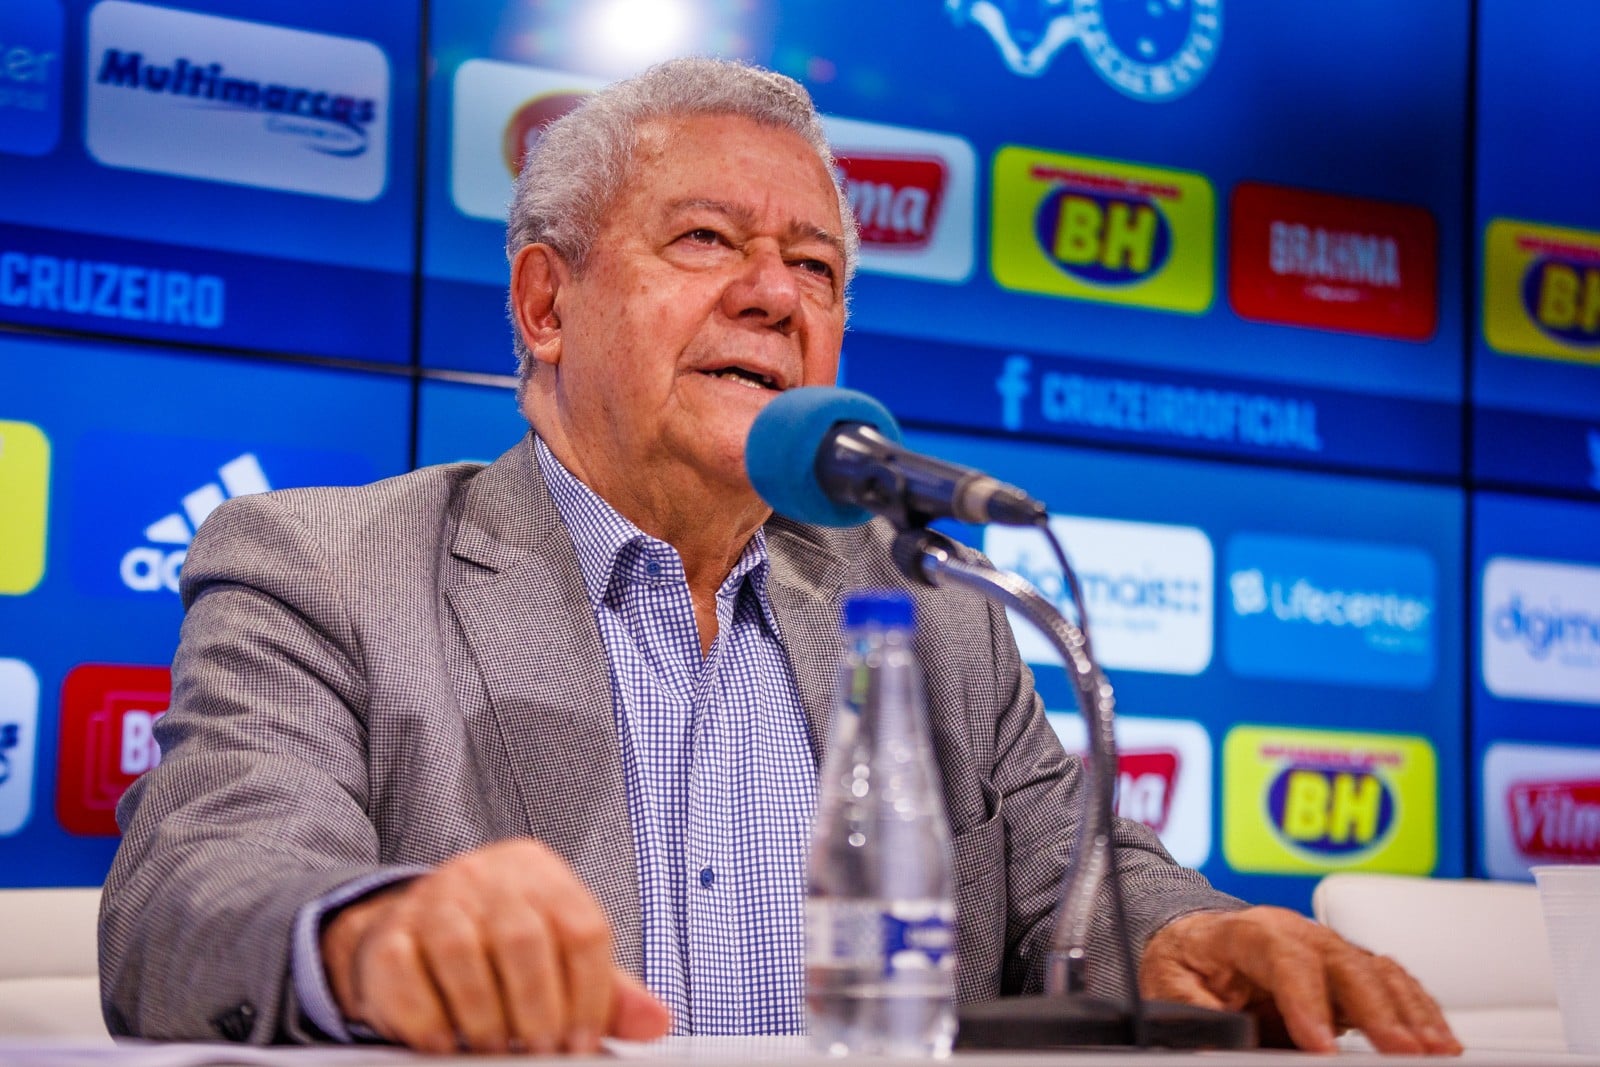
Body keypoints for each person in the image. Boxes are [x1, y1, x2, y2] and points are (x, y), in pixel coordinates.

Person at [99, 57, 1460, 1057]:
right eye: (706, 240)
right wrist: (379, 935)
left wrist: (1178, 933)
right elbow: (192, 898)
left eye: (814, 268)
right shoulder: (328, 568)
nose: (773, 292)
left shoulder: (932, 608)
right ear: (544, 304)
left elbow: (1077, 872)